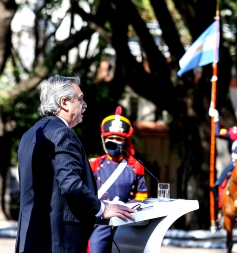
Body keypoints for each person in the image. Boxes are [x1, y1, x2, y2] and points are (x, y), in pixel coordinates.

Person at [15, 75, 137, 253]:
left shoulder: (29, 134)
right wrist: (102, 209)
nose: (85, 105)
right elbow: (71, 184)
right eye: (80, 99)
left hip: (30, 237)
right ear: (64, 102)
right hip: (58, 240)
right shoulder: (62, 133)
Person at [87, 106, 148, 253]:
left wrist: (127, 207)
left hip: (126, 222)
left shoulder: (135, 167)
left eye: (119, 139)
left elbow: (141, 196)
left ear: (126, 141)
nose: (114, 142)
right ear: (104, 140)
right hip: (100, 223)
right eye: (111, 138)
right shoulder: (94, 165)